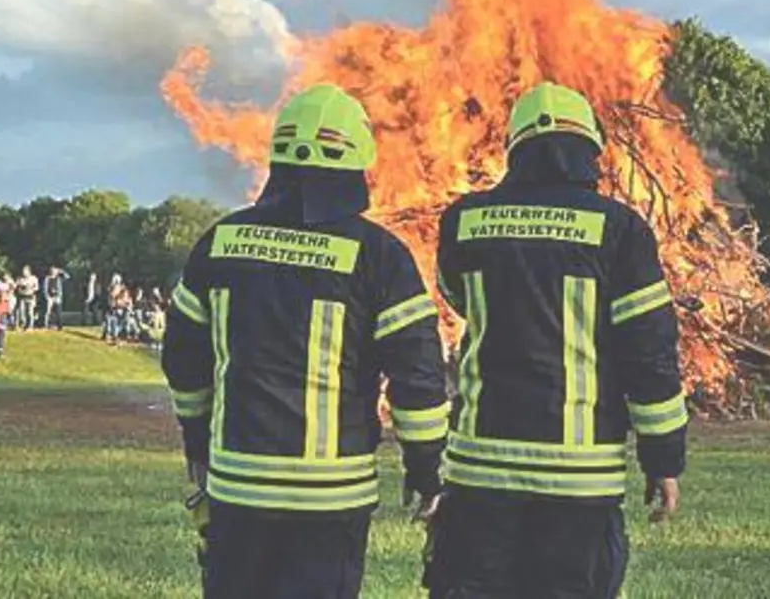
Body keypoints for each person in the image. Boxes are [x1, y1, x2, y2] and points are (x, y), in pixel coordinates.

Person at [161, 84, 449, 599]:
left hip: (237, 487)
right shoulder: (378, 256)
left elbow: (184, 360)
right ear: (355, 165)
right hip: (329, 498)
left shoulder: (221, 243)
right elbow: (418, 379)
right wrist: (428, 471)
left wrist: (197, 443)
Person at [426, 82, 688, 599]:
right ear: (589, 150)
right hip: (578, 480)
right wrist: (663, 461)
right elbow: (650, 354)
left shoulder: (464, 220)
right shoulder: (619, 229)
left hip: (480, 472)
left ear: (515, 149)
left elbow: (456, 298)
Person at [15, 266, 39, 331]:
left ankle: (30, 326)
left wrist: (30, 288)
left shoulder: (33, 278)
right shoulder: (20, 279)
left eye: (25, 271)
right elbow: (16, 287)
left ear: (29, 271)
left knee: (30, 312)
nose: (24, 273)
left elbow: (37, 287)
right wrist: (20, 287)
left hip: (31, 297)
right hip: (22, 297)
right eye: (23, 271)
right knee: (22, 312)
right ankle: (23, 325)